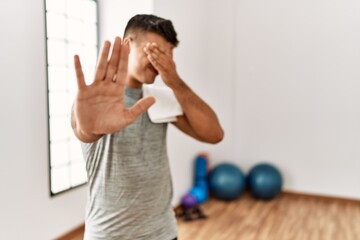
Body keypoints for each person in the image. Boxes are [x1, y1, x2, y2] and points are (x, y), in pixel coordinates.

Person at [71, 14, 224, 240]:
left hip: (162, 232)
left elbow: (214, 134)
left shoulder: (162, 98)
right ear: (127, 45)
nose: (159, 63)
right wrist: (88, 130)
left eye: (166, 55)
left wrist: (175, 81)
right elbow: (84, 130)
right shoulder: (97, 102)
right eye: (153, 51)